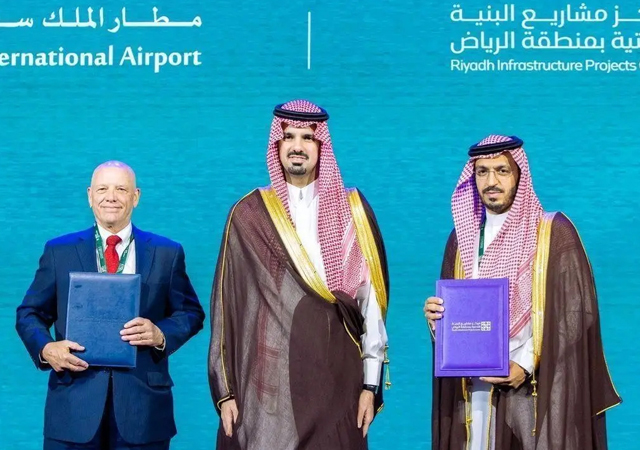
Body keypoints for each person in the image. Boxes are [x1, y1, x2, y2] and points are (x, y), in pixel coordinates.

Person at [208, 99, 390, 450]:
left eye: (308, 137)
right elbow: (226, 310)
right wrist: (226, 391)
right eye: (288, 137)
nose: (297, 146)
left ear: (322, 146)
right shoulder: (250, 214)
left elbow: (370, 308)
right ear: (276, 145)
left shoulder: (352, 210)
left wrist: (370, 385)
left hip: (338, 376)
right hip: (270, 379)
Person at [424, 135, 621, 450]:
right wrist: (437, 320)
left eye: (502, 170)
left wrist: (526, 363)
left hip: (536, 384)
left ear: (519, 175)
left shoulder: (553, 232)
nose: (491, 181)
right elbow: (458, 317)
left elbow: (575, 312)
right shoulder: (460, 240)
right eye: (482, 172)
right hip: (476, 390)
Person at [16, 161, 205, 450]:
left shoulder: (167, 253)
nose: (111, 197)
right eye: (103, 189)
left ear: (136, 196)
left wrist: (161, 334)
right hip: (72, 408)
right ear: (90, 195)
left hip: (143, 410)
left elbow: (191, 312)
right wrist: (46, 348)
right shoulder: (58, 251)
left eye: (121, 189)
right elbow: (29, 313)